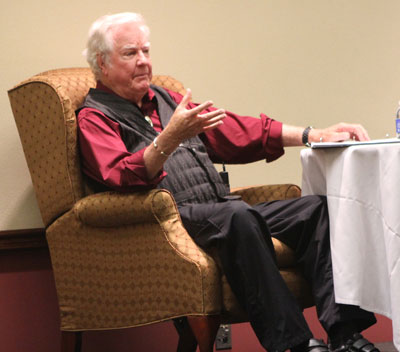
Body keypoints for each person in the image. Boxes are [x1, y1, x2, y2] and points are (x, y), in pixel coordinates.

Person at [77, 12, 379, 352]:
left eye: (146, 51)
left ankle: (345, 334)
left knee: (317, 210)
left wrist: (313, 135)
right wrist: (170, 137)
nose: (144, 62)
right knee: (238, 217)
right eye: (131, 53)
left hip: (220, 211)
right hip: (169, 222)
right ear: (102, 63)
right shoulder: (94, 117)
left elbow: (235, 131)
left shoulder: (167, 100)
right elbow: (121, 174)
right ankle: (295, 343)